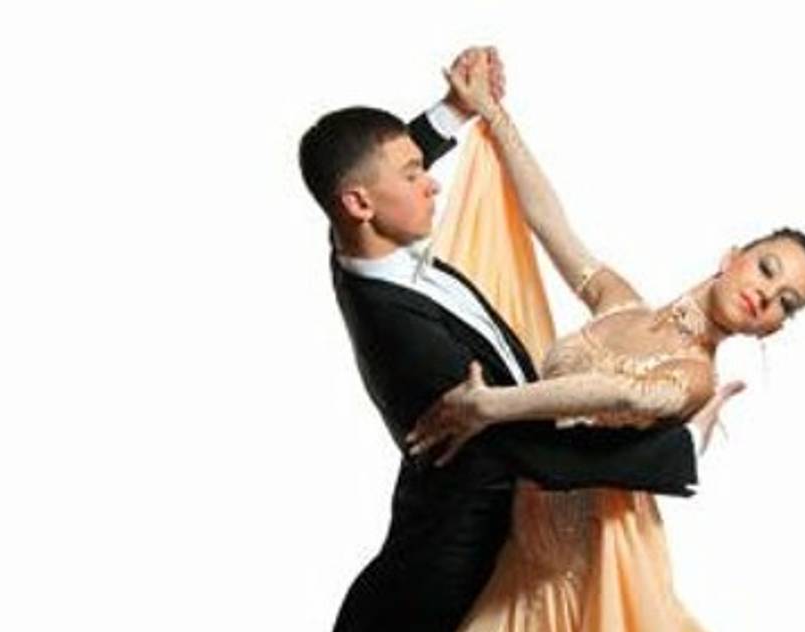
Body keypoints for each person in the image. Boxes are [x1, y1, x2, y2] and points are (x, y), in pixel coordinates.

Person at [298, 47, 727, 632]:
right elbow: (528, 447)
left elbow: (363, 168)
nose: (433, 185)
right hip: (454, 574)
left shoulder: (355, 243)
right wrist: (683, 448)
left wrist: (455, 109)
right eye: (413, 175)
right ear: (359, 203)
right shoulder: (400, 337)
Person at [404, 52, 805, 630]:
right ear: (732, 257)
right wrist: (492, 113)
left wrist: (492, 406)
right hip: (518, 555)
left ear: (773, 327)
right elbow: (549, 223)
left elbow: (621, 394)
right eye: (767, 268)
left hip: (580, 581)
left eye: (786, 303)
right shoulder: (619, 301)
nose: (767, 294)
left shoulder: (695, 376)